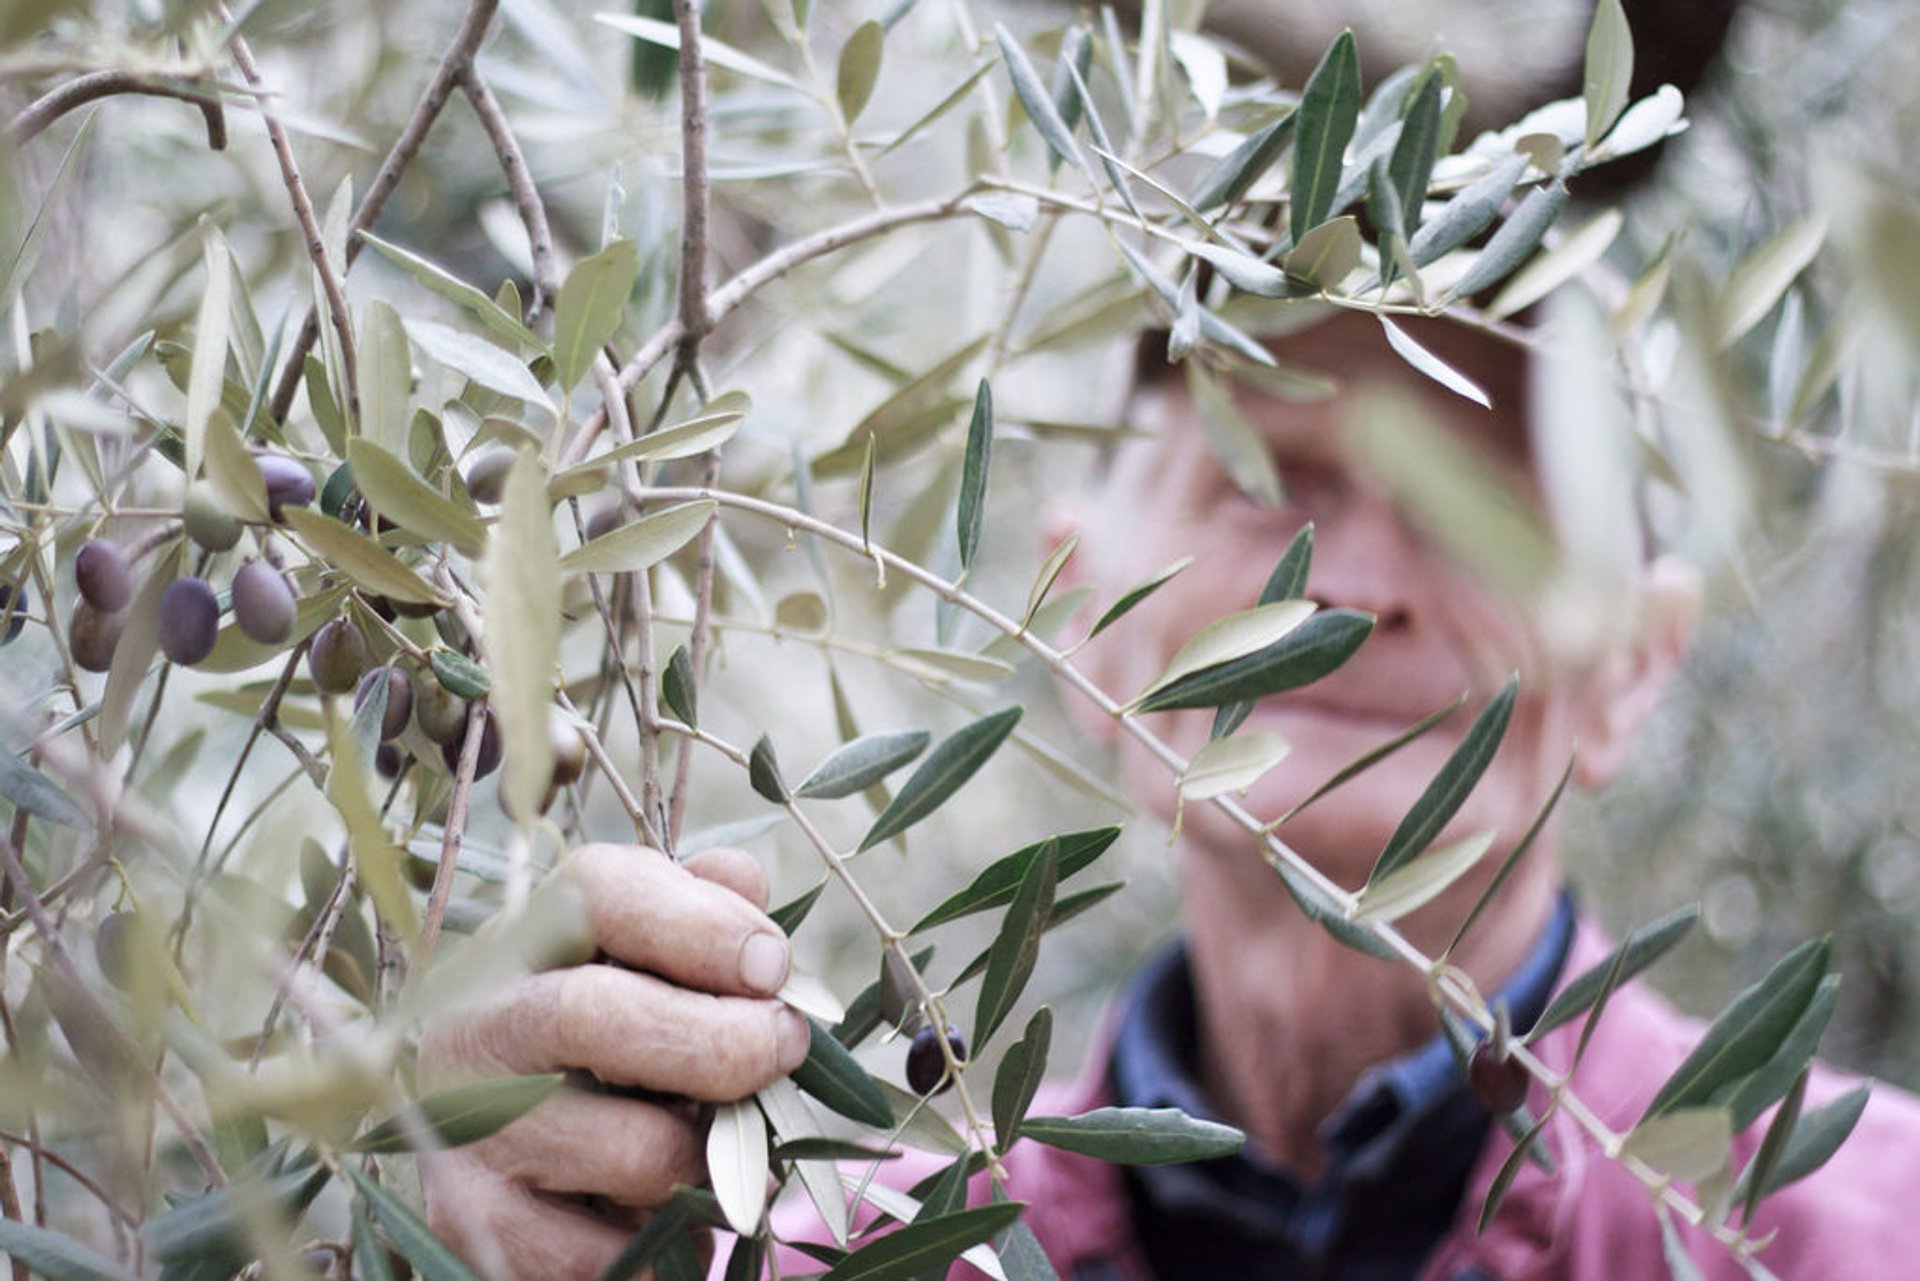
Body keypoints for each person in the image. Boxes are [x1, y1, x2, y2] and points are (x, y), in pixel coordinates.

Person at [416, 301, 1920, 1279]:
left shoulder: (1872, 1235)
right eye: (1272, 475)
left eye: (1481, 501)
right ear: (1075, 616)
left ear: (1635, 666)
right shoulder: (821, 1256)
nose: (1358, 591)